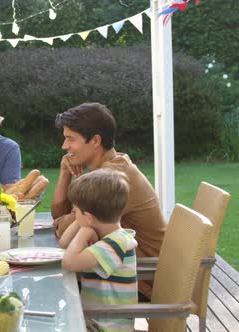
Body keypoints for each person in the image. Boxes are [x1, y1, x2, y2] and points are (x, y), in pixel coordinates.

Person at [51, 102, 166, 298]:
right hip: (117, 270)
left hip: (138, 281)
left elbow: (62, 227)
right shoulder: (109, 169)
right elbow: (61, 218)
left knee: (51, 288)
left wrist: (65, 221)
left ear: (95, 140)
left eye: (71, 139)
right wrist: (65, 173)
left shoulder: (112, 179)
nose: (64, 146)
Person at [60, 169, 137, 332]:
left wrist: (84, 230)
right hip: (93, 318)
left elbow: (69, 262)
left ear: (89, 217)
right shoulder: (108, 237)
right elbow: (64, 243)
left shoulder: (116, 243)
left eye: (75, 211)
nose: (74, 215)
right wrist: (82, 221)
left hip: (105, 326)